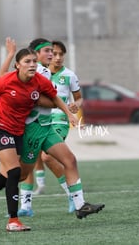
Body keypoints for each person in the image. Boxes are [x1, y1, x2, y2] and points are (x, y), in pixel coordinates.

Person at [0, 37, 104, 221]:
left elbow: (54, 97)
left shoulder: (44, 73)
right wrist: (10, 54)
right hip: (33, 129)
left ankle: (80, 205)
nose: (52, 54)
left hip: (48, 127)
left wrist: (70, 114)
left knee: (70, 160)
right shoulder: (34, 72)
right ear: (36, 54)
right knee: (17, 176)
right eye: (47, 51)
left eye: (53, 51)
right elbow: (36, 98)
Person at [30, 40, 83, 215]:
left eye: (60, 54)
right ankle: (23, 204)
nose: (57, 57)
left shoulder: (69, 75)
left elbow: (79, 98)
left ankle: (72, 195)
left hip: (59, 120)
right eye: (54, 53)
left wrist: (75, 106)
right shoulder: (37, 71)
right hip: (39, 120)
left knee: (47, 157)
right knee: (30, 159)